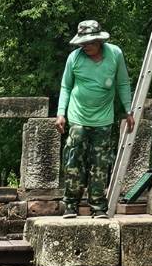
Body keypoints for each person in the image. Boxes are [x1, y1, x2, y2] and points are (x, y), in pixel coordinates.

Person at [55, 19, 133, 218]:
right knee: (74, 159)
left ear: (99, 41)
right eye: (82, 43)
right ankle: (71, 204)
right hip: (77, 116)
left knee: (100, 163)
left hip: (104, 119)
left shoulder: (114, 54)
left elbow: (123, 83)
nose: (85, 46)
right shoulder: (75, 58)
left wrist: (129, 110)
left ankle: (98, 206)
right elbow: (66, 86)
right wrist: (61, 113)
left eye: (89, 42)